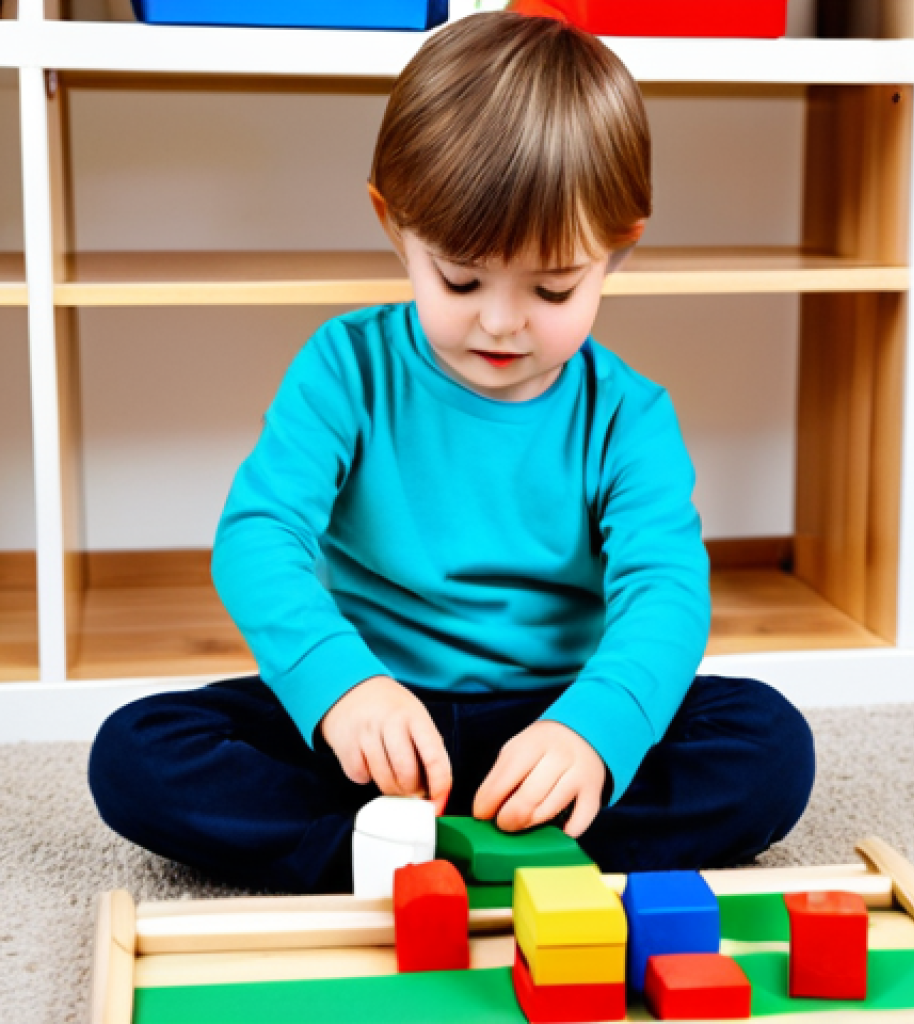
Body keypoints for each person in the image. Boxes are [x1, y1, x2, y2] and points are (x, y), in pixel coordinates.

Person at [88, 10, 815, 894]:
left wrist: (594, 729)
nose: (501, 321)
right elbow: (259, 536)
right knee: (136, 754)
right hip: (381, 725)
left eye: (552, 286)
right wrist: (342, 688)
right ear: (396, 228)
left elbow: (665, 593)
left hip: (553, 717)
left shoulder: (629, 415)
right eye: (461, 279)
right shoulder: (344, 369)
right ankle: (412, 854)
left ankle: (469, 851)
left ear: (619, 246)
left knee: (770, 745)